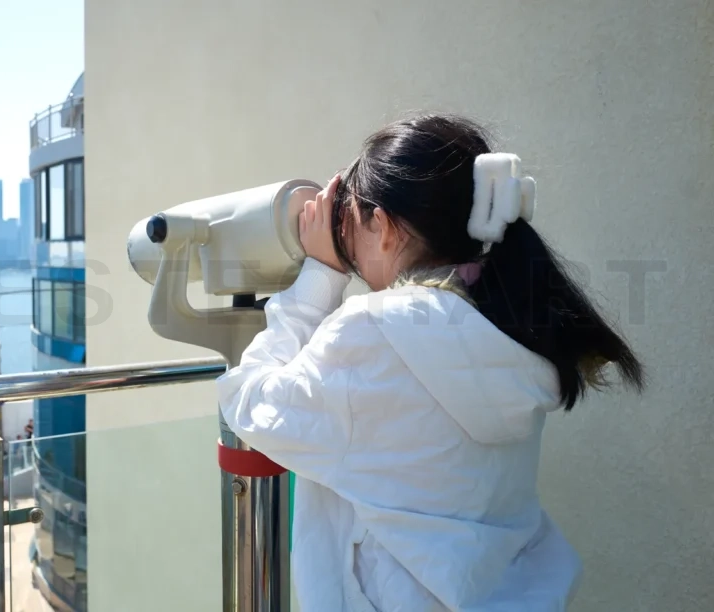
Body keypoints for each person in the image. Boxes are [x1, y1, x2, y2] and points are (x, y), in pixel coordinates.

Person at [217, 114, 645, 612]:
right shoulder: (509, 327)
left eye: (349, 217)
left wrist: (318, 278)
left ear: (385, 227)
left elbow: (249, 402)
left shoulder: (375, 332)